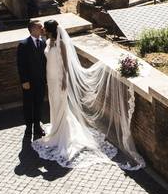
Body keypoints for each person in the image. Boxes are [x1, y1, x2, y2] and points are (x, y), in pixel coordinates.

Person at [31, 19, 144, 170]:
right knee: (53, 104)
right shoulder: (48, 42)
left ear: (50, 30)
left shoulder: (61, 44)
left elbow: (66, 64)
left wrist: (65, 80)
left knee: (61, 106)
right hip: (50, 80)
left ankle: (63, 134)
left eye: (45, 28)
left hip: (59, 80)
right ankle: (56, 129)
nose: (43, 30)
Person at [16, 20, 47, 140]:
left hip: (40, 81)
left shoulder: (43, 42)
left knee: (39, 104)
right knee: (28, 104)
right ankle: (28, 127)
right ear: (33, 29)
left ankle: (37, 126)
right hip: (28, 82)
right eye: (40, 27)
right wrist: (24, 81)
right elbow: (21, 64)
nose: (42, 29)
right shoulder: (23, 44)